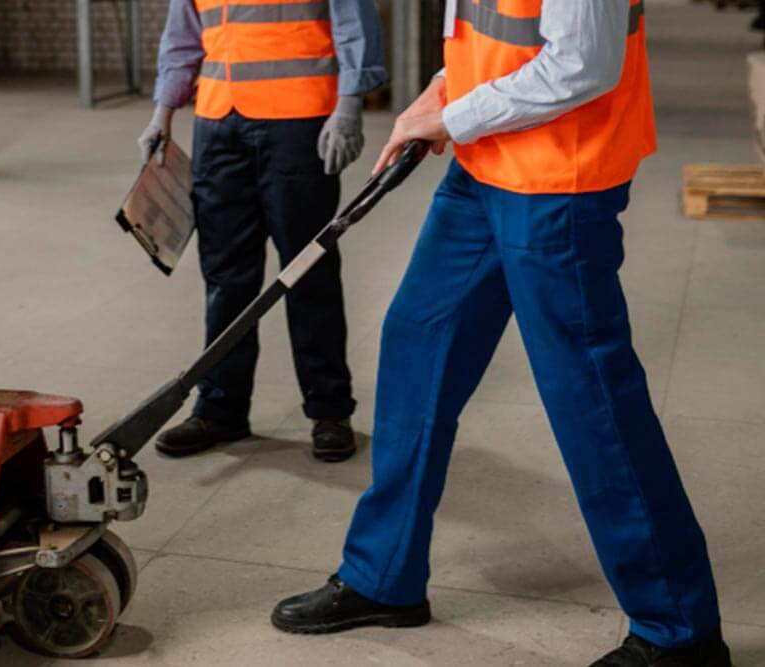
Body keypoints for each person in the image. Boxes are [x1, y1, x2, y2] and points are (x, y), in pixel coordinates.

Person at [271, 1, 733, 665]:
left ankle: (678, 629)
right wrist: (443, 87)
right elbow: (495, 32)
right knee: (417, 342)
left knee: (592, 400)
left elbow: (584, 62)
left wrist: (455, 115)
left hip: (557, 184)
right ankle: (385, 573)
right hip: (485, 164)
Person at [140, 0, 387, 462]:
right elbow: (183, 39)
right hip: (217, 126)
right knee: (225, 276)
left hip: (299, 122)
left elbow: (355, 23)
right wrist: (163, 112)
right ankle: (220, 409)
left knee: (308, 269)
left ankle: (329, 409)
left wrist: (349, 104)